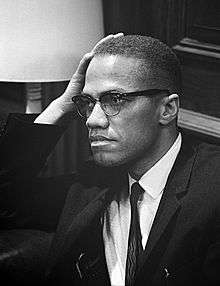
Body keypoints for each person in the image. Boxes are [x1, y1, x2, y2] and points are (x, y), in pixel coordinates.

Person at [0, 33, 220, 286]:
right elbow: (6, 204)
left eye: (114, 99)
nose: (93, 120)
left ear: (167, 109)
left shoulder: (213, 187)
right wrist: (60, 106)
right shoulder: (90, 184)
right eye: (87, 102)